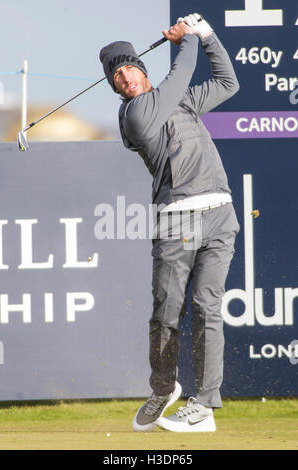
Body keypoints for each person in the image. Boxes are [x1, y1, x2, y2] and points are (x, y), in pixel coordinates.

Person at [99, 13, 240, 433]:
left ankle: (205, 406)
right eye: (116, 75)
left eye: (129, 67)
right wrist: (187, 38)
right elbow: (181, 74)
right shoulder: (136, 116)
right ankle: (163, 388)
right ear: (114, 87)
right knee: (166, 314)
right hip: (177, 220)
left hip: (220, 215)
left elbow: (228, 83)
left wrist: (208, 36)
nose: (124, 77)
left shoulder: (179, 101)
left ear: (142, 68)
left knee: (208, 309)